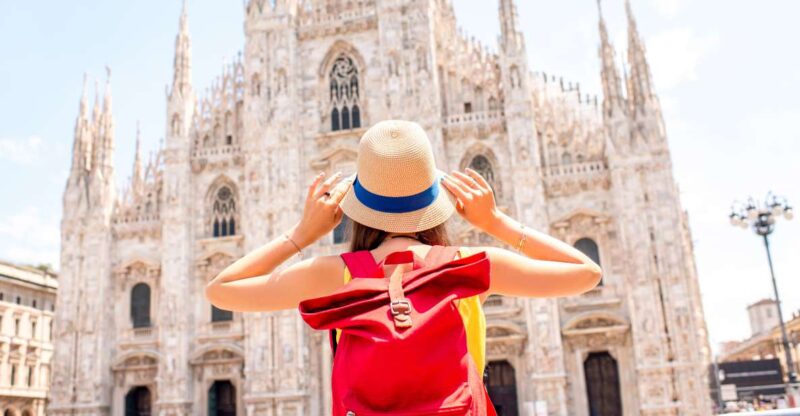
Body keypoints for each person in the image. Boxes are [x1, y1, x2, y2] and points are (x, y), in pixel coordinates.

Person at [205, 119, 602, 394]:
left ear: (358, 208)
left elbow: (222, 290)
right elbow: (585, 273)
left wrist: (302, 234)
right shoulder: (469, 265)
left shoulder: (335, 274)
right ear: (435, 202)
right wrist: (495, 221)